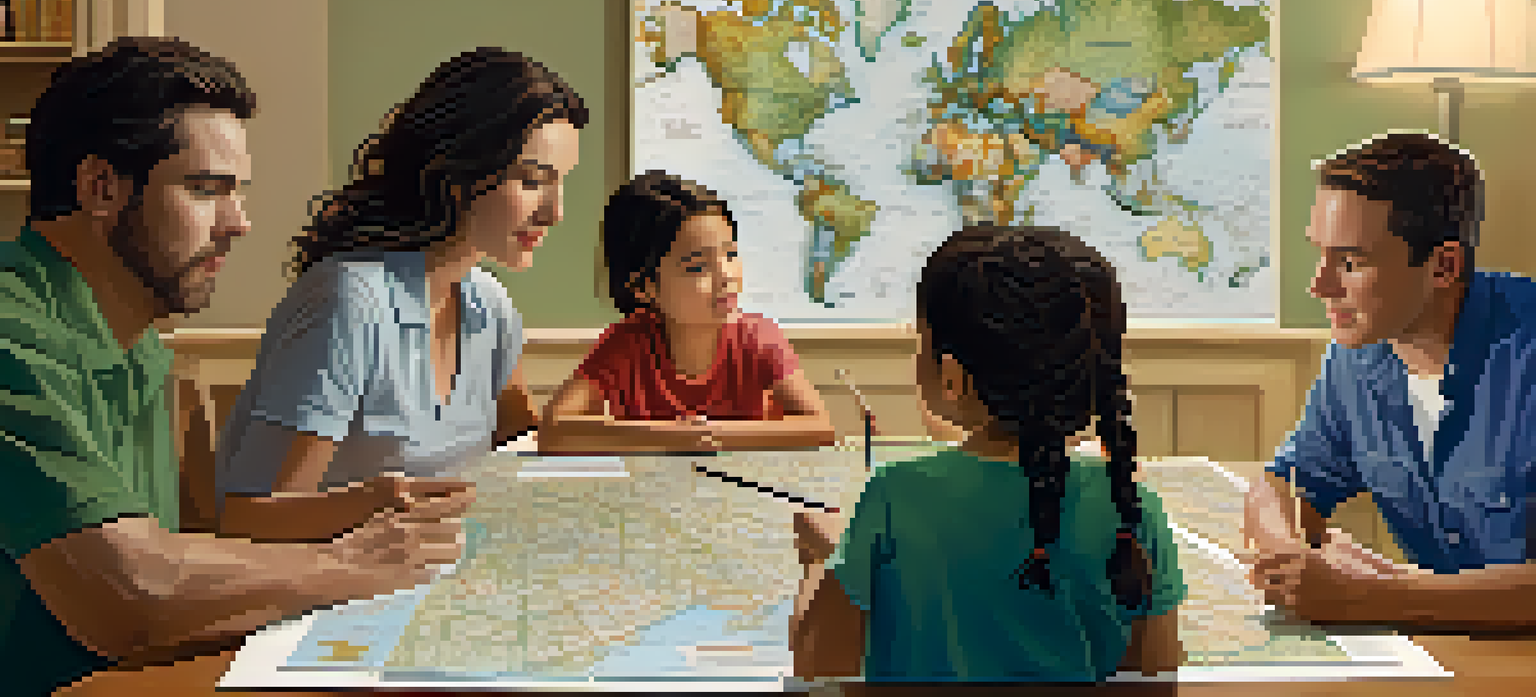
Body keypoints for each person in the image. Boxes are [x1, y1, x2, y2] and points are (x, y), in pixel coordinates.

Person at [0, 37, 471, 697]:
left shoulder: (136, 343)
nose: (239, 223)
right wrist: (346, 564)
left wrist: (354, 520)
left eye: (237, 193)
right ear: (100, 188)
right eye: (204, 190)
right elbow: (132, 594)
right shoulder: (13, 332)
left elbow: (175, 556)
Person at [214, 48, 586, 541]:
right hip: (328, 592)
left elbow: (521, 448)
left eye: (562, 183)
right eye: (533, 180)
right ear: (458, 174)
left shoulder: (491, 308)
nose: (555, 212)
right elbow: (249, 523)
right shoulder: (350, 301)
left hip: (431, 578)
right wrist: (378, 504)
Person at [792, 224, 1186, 682]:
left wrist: (823, 561)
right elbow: (1154, 680)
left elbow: (818, 669)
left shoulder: (895, 498)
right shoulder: (1133, 509)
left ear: (954, 378)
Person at [1245, 131, 1536, 631]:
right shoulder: (1354, 357)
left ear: (1444, 265)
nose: (1319, 286)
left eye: (1352, 262)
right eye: (1321, 254)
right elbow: (1284, 485)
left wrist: (1384, 597)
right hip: (1448, 657)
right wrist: (1287, 559)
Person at [540, 171, 834, 453]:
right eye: (697, 267)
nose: (726, 275)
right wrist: (675, 436)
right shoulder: (628, 343)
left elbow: (821, 427)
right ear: (644, 288)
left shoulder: (757, 338)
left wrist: (709, 435)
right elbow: (553, 431)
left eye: (730, 254)